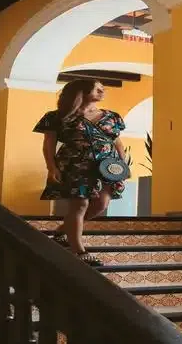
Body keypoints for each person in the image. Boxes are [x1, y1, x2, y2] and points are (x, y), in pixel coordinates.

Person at [33, 79, 128, 266]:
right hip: (74, 165)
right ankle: (79, 251)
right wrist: (51, 168)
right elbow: (48, 145)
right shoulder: (57, 116)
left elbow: (117, 142)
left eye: (102, 88)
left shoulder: (112, 117)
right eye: (97, 88)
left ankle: (63, 230)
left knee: (101, 204)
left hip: (106, 166)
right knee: (80, 204)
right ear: (81, 92)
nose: (102, 91)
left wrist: (122, 166)